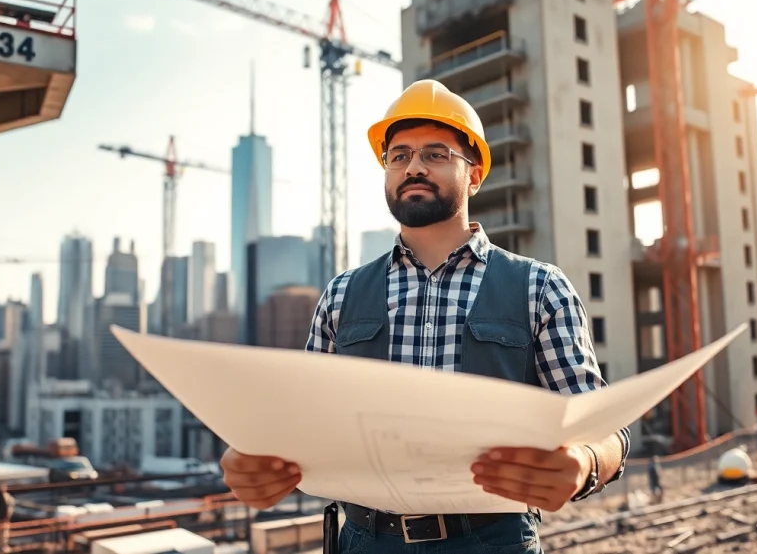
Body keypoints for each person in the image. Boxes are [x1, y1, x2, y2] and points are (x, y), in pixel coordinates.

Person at [220, 79, 630, 552]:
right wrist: (253, 457)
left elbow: (603, 428)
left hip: (491, 541)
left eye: (436, 154)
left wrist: (584, 462)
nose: (413, 167)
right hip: (365, 540)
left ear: (474, 175)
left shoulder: (539, 287)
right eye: (399, 156)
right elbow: (299, 425)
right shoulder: (341, 295)